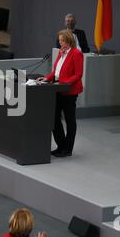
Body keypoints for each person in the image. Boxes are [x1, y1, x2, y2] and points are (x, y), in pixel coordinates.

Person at [37, 30, 84, 158]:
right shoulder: (60, 52)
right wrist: (47, 78)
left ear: (69, 40)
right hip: (57, 89)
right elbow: (56, 71)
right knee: (54, 118)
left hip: (69, 91)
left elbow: (78, 74)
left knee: (70, 120)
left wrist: (64, 83)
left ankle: (68, 149)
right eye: (59, 40)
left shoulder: (77, 53)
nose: (60, 42)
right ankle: (61, 146)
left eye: (62, 40)